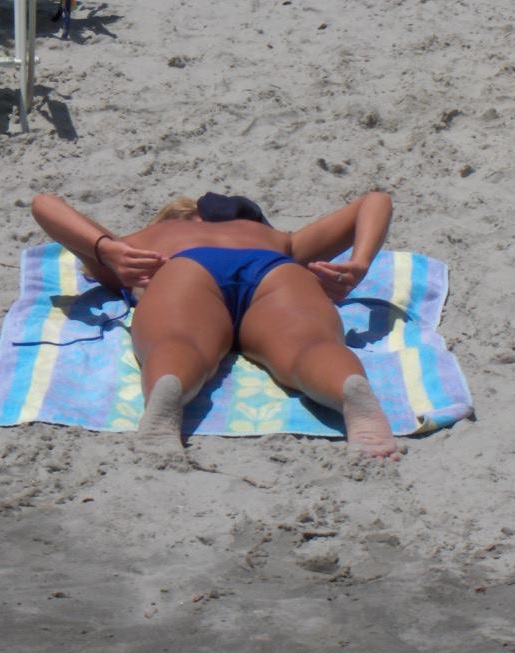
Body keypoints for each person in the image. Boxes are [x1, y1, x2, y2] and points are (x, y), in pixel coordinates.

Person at [29, 189, 401, 460]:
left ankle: (169, 389)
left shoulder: (142, 245)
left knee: (179, 342)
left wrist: (104, 248)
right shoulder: (278, 239)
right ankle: (348, 392)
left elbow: (44, 203)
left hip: (185, 268)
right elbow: (376, 199)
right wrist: (360, 263)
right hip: (274, 268)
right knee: (311, 347)